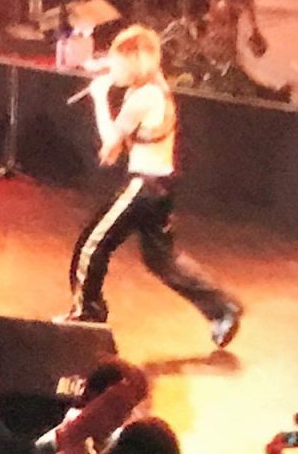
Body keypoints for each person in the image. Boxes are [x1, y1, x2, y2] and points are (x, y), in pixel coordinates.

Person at [60, 24, 241, 349]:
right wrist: (105, 67)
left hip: (143, 187)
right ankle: (222, 308)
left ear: (133, 63)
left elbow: (109, 149)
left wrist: (99, 99)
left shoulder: (143, 97)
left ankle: (87, 313)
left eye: (118, 61)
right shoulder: (155, 87)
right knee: (163, 260)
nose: (113, 67)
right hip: (161, 186)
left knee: (91, 245)